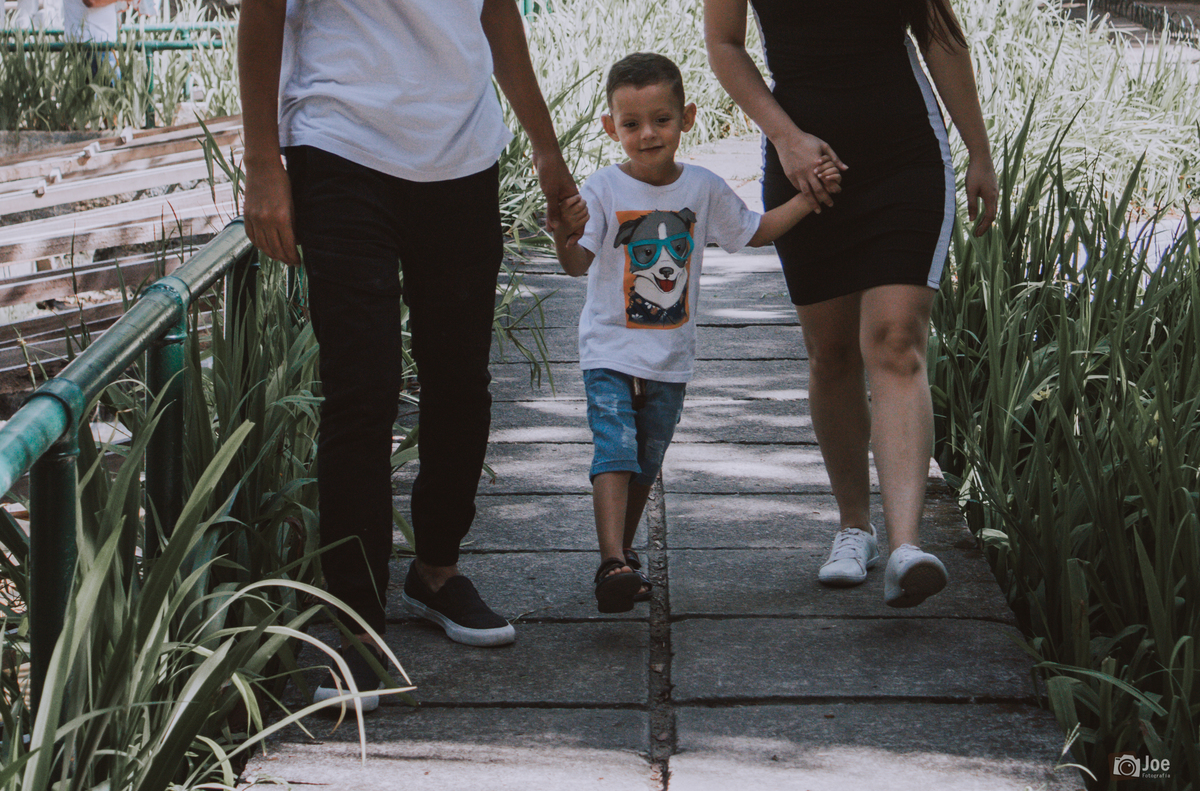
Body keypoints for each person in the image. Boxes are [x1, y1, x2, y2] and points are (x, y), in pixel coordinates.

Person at [238, 0, 578, 710]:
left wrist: (545, 146)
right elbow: (262, 11)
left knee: (461, 381)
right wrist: (263, 162)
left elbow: (496, 10)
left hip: (462, 151)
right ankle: (354, 625)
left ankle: (436, 571)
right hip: (339, 141)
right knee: (362, 390)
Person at [705, 0, 999, 607]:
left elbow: (940, 34)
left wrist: (979, 150)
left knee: (897, 339)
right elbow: (725, 45)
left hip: (906, 155)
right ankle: (854, 529)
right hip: (805, 167)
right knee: (832, 354)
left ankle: (906, 547)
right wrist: (786, 139)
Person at [554, 53, 840, 613]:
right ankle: (610, 561)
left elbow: (754, 231)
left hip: (670, 357)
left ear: (686, 118)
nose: (647, 134)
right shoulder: (603, 189)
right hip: (609, 349)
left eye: (661, 119)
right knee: (615, 447)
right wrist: (564, 236)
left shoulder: (703, 189)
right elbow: (576, 265)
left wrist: (807, 199)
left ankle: (623, 557)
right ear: (610, 127)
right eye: (631, 123)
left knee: (647, 461)